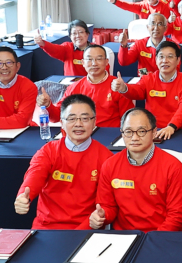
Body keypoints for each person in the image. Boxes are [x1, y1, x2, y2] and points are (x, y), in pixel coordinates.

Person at [14, 94, 112, 229]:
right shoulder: (48, 151)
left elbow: (107, 204)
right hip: (47, 228)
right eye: (71, 118)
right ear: (62, 123)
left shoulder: (106, 158)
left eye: (85, 118)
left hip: (85, 229)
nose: (78, 124)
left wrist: (100, 218)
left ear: (94, 122)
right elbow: (34, 177)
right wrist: (23, 197)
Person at [90, 108, 182, 231]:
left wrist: (152, 239)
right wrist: (101, 217)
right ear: (122, 133)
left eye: (141, 131)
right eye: (128, 132)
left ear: (154, 132)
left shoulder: (174, 167)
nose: (134, 137)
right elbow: (108, 206)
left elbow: (176, 218)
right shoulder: (110, 165)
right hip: (124, 237)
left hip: (159, 236)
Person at [112, 41, 182, 137]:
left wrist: (171, 126)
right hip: (154, 131)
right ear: (156, 60)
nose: (165, 61)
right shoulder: (148, 79)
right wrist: (124, 87)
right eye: (161, 57)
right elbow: (136, 91)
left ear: (178, 60)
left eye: (170, 57)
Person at [38, 44, 131, 127]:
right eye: (89, 59)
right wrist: (48, 105)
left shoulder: (119, 86)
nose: (94, 63)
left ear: (106, 62)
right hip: (81, 134)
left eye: (99, 59)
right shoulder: (73, 88)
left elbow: (129, 119)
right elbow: (57, 116)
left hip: (110, 134)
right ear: (83, 63)